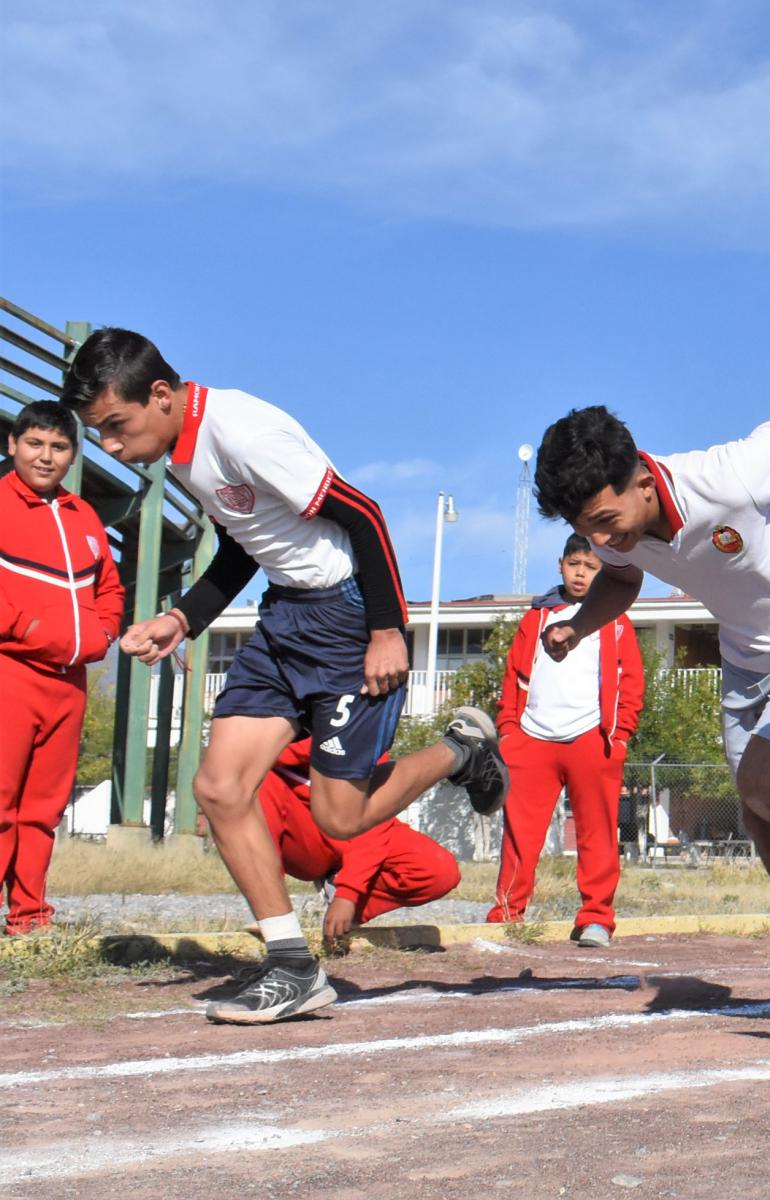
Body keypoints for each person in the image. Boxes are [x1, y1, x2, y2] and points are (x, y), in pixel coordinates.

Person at [61, 329, 508, 1023]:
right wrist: (182, 621)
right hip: (284, 618)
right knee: (218, 786)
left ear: (160, 395)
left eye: (116, 428)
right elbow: (245, 546)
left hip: (344, 620)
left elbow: (363, 515)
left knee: (340, 816)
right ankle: (291, 964)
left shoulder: (241, 429)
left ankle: (463, 751)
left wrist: (389, 629)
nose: (112, 448)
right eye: (100, 436)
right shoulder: (178, 453)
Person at [532, 398, 770, 1015]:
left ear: (644, 481)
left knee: (764, 782)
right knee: (762, 812)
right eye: (586, 529)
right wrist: (579, 625)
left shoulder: (731, 476)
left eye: (605, 521)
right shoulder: (618, 527)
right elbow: (622, 579)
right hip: (748, 661)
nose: (599, 540)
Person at [0, 401, 124, 934]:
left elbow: (110, 588)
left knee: (44, 808)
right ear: (12, 445)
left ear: (73, 455)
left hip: (69, 684)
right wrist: (30, 632)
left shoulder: (85, 515)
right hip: (10, 672)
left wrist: (104, 633)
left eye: (58, 447)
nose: (45, 457)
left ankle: (30, 916)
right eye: (34, 444)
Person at [489, 536, 645, 945]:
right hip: (530, 740)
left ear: (605, 573)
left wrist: (620, 735)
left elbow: (631, 683)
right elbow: (512, 677)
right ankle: (507, 912)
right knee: (520, 834)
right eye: (575, 564)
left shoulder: (615, 621)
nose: (581, 573)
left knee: (597, 832)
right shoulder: (534, 619)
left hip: (592, 740)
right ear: (560, 565)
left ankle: (596, 917)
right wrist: (508, 731)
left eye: (592, 567)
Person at [247, 738, 461, 951]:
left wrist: (348, 896)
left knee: (439, 870)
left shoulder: (362, 726)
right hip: (300, 838)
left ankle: (337, 913)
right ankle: (273, 916)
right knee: (255, 780)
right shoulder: (273, 723)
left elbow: (375, 823)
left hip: (351, 827)